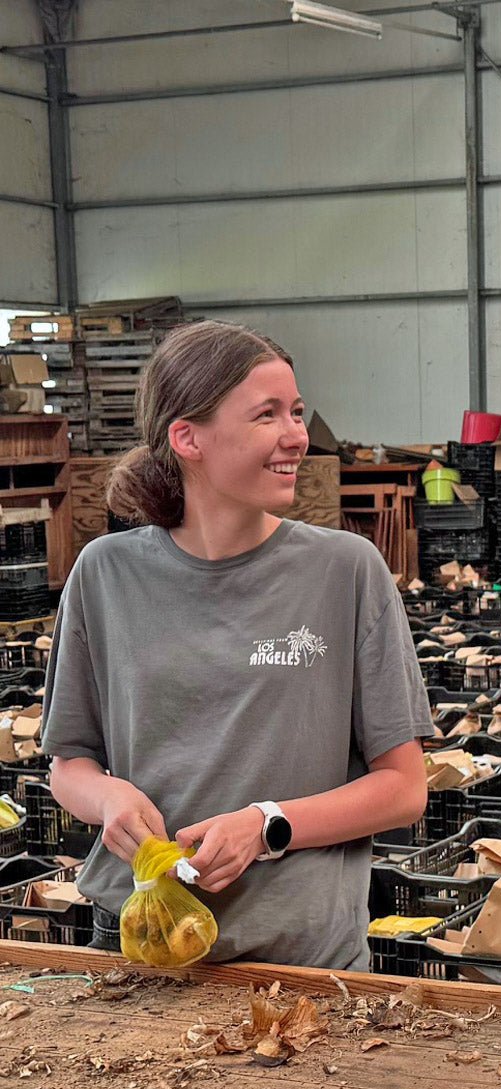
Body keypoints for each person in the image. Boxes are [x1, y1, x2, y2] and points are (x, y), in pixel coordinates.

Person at [41, 320, 434, 971]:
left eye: (297, 412)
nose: (297, 435)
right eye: (267, 414)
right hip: (141, 947)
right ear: (188, 438)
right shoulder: (104, 573)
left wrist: (266, 824)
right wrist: (109, 799)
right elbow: (68, 765)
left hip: (302, 960)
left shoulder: (345, 571)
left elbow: (403, 788)